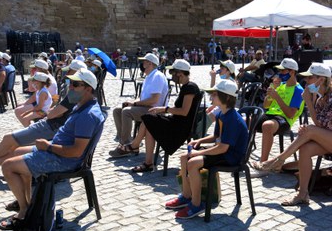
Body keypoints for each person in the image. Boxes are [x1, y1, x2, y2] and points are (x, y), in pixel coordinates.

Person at [0, 69, 104, 227]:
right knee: (15, 152)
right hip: (58, 152)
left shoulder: (87, 115)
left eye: (75, 84)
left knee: (8, 166)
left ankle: (25, 211)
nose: (70, 88)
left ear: (88, 89)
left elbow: (76, 151)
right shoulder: (81, 106)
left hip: (65, 160)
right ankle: (28, 202)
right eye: (69, 83)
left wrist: (48, 146)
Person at [165, 80, 248, 219]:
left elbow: (222, 148)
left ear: (226, 97)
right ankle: (186, 196)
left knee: (192, 162)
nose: (211, 97)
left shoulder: (233, 119)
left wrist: (199, 152)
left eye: (214, 95)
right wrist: (200, 140)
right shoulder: (222, 114)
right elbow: (216, 136)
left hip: (231, 157)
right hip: (223, 151)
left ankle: (196, 204)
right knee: (184, 157)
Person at [253, 63, 332, 205]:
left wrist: (312, 129)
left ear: (321, 79)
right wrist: (310, 102)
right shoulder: (320, 98)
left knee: (310, 130)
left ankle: (278, 160)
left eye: (310, 78)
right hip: (328, 139)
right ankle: (303, 194)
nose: (306, 81)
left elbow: (320, 126)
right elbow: (318, 123)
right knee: (305, 149)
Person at [115, 60, 200, 173]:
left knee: (149, 119)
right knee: (150, 121)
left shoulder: (190, 88)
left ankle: (135, 146)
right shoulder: (186, 87)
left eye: (172, 73)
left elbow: (184, 111)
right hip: (176, 121)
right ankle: (148, 162)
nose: (171, 76)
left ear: (179, 73)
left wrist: (164, 109)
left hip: (181, 126)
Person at [250, 58, 304, 177]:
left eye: (283, 71)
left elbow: (290, 114)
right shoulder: (280, 85)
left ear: (292, 72)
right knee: (245, 121)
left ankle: (263, 165)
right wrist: (271, 92)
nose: (280, 74)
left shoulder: (299, 90)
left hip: (284, 119)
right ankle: (239, 155)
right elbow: (266, 105)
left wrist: (277, 97)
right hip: (270, 115)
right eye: (279, 71)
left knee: (267, 126)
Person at [110, 53, 168, 155]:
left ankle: (125, 145)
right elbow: (143, 97)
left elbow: (154, 100)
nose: (142, 64)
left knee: (126, 112)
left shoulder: (157, 76)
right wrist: (132, 102)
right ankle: (126, 140)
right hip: (146, 107)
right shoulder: (149, 77)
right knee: (117, 110)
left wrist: (135, 104)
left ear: (150, 63)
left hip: (154, 110)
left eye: (144, 62)